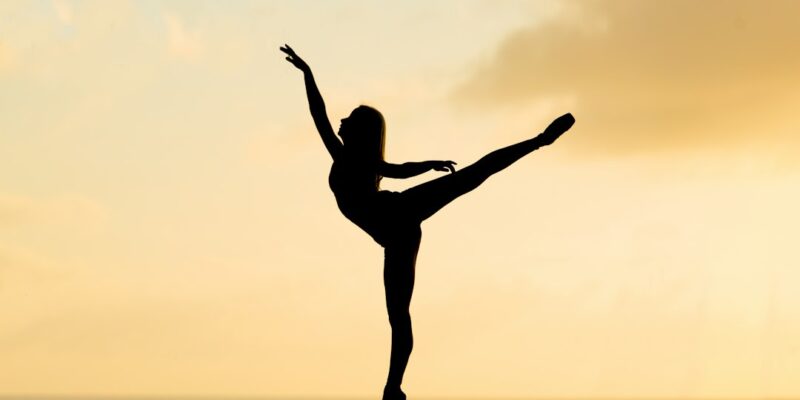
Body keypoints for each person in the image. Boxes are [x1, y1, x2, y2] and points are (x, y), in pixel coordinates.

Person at [280, 44, 574, 400]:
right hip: (395, 236)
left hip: (398, 214)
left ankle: (540, 141)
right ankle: (393, 388)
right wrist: (307, 72)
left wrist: (427, 166)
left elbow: (393, 168)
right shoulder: (344, 156)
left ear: (360, 132)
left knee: (471, 177)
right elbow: (320, 114)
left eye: (350, 118)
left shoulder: (355, 160)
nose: (341, 120)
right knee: (398, 316)